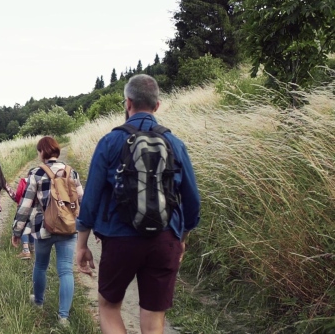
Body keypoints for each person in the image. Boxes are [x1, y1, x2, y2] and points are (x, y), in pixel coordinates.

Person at [76, 74, 201, 334]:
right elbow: (192, 201)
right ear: (157, 106)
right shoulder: (175, 144)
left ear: (127, 103)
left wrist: (82, 244)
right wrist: (182, 237)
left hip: (120, 239)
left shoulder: (110, 142)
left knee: (109, 308)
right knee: (154, 323)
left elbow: (90, 199)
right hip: (165, 239)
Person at [11, 136, 84, 327]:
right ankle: (63, 317)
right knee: (66, 270)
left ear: (42, 152)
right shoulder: (71, 172)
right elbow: (82, 200)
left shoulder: (36, 173)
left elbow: (25, 205)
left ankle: (38, 301)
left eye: (38, 151)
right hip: (68, 227)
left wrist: (17, 231)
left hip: (43, 228)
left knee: (41, 266)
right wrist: (87, 226)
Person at [14, 168, 36, 260]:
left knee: (23, 227)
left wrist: (19, 202)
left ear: (28, 174)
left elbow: (18, 194)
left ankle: (26, 250)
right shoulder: (38, 181)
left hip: (24, 207)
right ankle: (33, 247)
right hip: (35, 208)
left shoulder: (23, 181)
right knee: (31, 227)